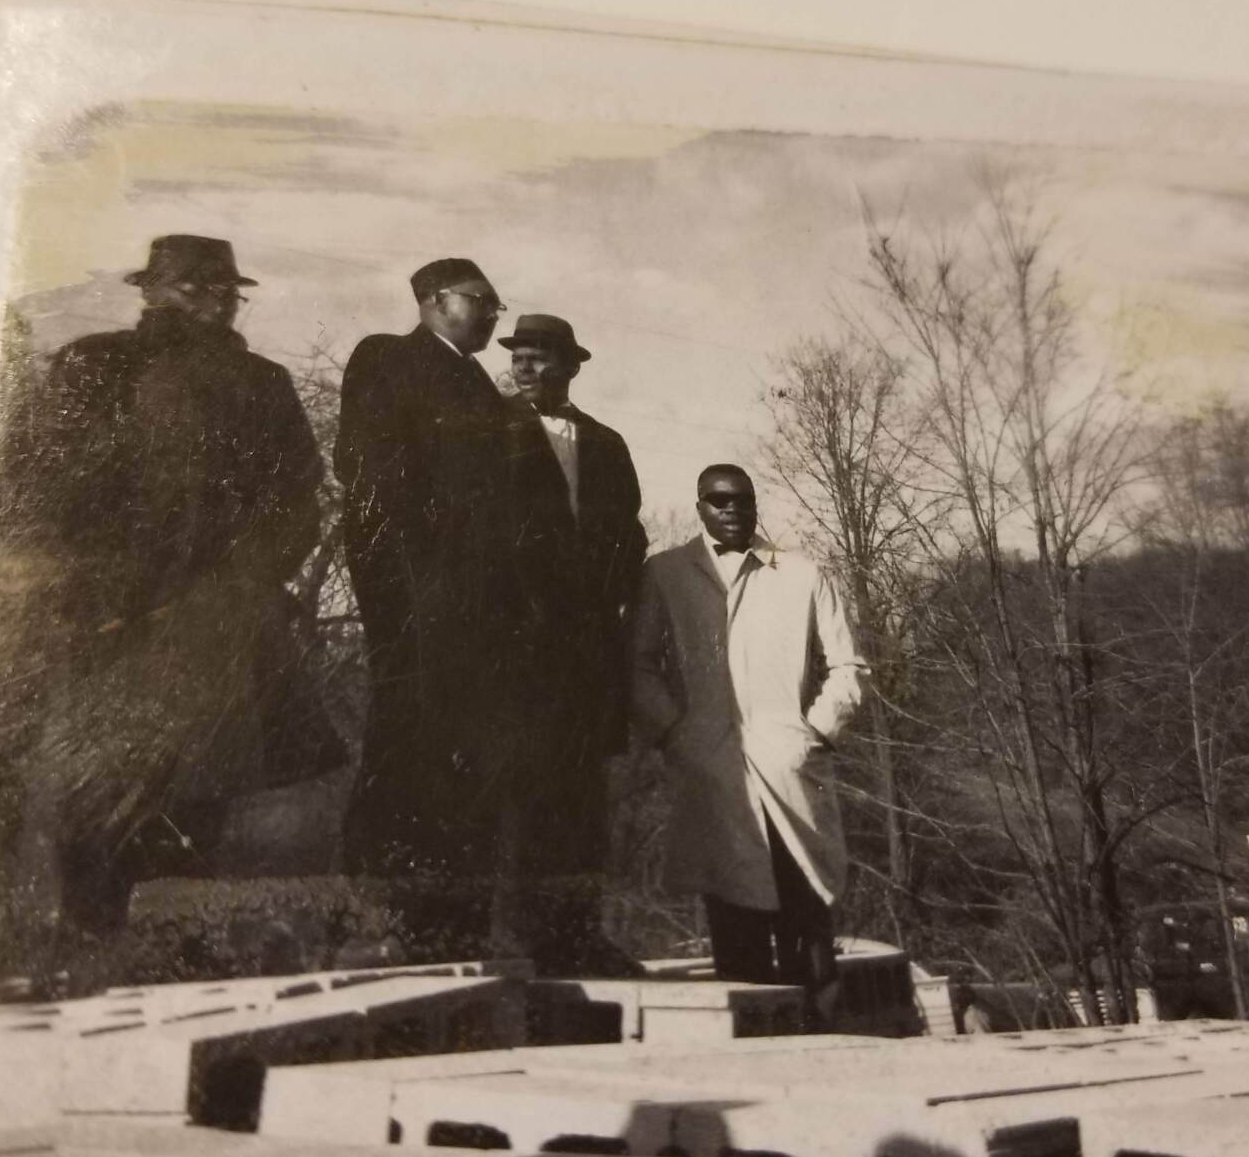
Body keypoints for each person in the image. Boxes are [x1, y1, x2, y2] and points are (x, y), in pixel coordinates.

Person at [24, 234, 331, 932]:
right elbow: (48, 488)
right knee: (103, 788)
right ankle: (89, 940)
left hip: (222, 617)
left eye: (226, 291)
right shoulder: (95, 365)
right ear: (152, 290)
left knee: (203, 789)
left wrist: (247, 579)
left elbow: (298, 502)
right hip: (112, 618)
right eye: (196, 288)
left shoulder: (264, 384)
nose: (217, 303)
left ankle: (173, 943)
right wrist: (95, 593)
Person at [630, 465, 867, 1024]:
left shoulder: (803, 574)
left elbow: (848, 667)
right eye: (718, 499)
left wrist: (813, 734)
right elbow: (637, 667)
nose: (732, 509)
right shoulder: (665, 574)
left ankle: (823, 1041)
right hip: (714, 776)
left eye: (743, 499)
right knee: (735, 926)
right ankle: (756, 1049)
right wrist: (674, 734)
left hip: (787, 771)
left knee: (807, 915)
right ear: (699, 506)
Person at [334, 258, 519, 890]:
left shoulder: (480, 385)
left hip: (479, 601)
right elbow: (369, 475)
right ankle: (375, 882)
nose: (495, 313)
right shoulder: (386, 357)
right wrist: (413, 579)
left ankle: (446, 890)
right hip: (416, 589)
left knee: (465, 741)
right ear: (434, 300)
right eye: (482, 300)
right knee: (408, 723)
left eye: (497, 304)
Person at [496, 314, 648, 972]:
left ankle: (579, 935)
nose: (526, 369)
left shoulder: (606, 444)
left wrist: (608, 594)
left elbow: (629, 534)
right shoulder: (486, 432)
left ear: (572, 366)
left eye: (541, 359)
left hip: (585, 647)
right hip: (514, 647)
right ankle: (515, 938)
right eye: (519, 358)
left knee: (581, 795)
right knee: (516, 794)